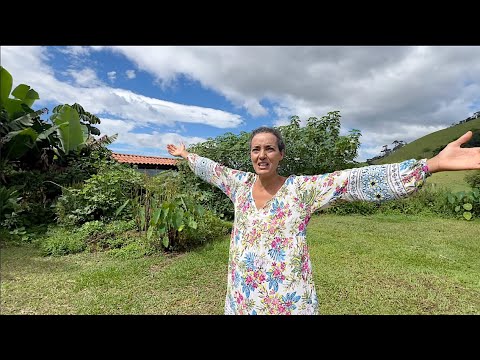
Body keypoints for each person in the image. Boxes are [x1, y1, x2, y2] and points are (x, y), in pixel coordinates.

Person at [167, 127, 480, 315]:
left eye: (269, 149)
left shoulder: (302, 190)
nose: (262, 155)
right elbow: (211, 168)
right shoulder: (238, 184)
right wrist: (186, 154)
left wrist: (431, 165)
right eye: (255, 149)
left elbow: (355, 179)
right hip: (243, 295)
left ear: (280, 154)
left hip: (288, 298)